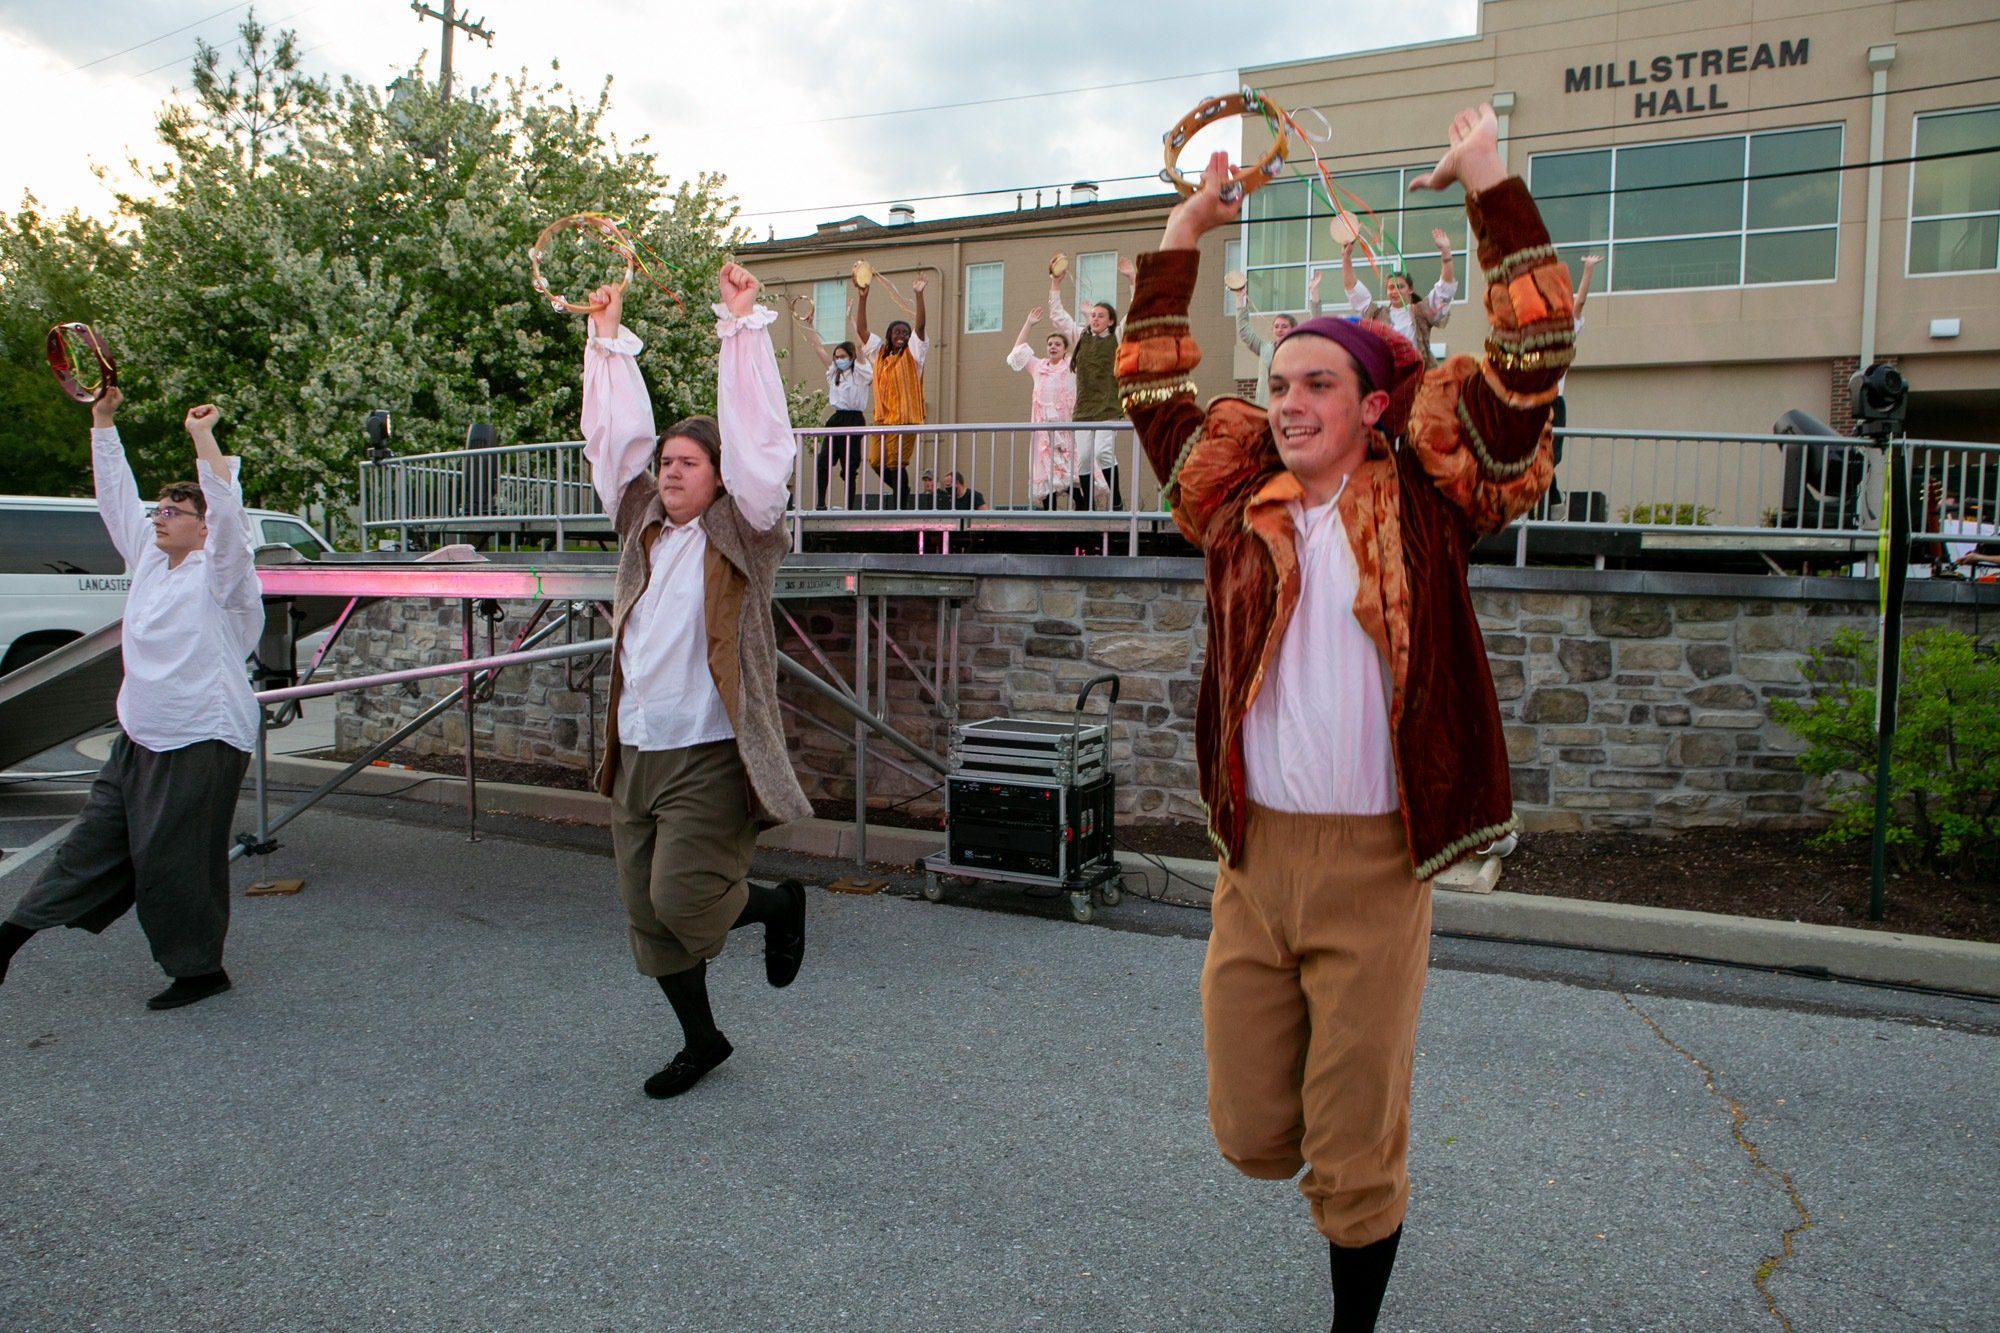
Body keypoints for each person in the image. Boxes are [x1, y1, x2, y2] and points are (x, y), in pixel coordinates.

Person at [1116, 106, 1567, 1330]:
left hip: (1376, 863)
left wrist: (1483, 177)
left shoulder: (1433, 502)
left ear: (1374, 406)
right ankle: (1314, 1180)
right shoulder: (1229, 501)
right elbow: (1152, 379)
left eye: (1317, 382)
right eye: (1276, 384)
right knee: (1251, 1126)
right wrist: (1181, 230)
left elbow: (1531, 354)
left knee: (1352, 1141)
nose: (1288, 400)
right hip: (1252, 859)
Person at [580, 264, 816, 1100]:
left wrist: (742, 324)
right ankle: (703, 1039)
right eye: (668, 462)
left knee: (683, 897)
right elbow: (614, 443)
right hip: (637, 746)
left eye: (689, 462)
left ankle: (777, 905)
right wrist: (606, 339)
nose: (672, 472)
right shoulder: (639, 525)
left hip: (710, 748)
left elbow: (759, 442)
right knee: (647, 917)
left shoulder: (744, 531)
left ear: (718, 478)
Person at [0, 389, 262, 1010]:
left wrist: (203, 437)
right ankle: (9, 939)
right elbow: (115, 494)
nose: (160, 515)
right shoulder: (149, 558)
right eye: (160, 507)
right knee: (91, 843)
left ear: (204, 527)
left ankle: (200, 972)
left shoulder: (226, 576)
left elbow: (229, 514)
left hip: (202, 738)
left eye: (176, 509)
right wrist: (103, 421)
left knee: (173, 863)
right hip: (138, 737)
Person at [1049, 259, 1131, 511]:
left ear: (1110, 321)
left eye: (1100, 316)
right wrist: (1055, 284)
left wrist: (1132, 280)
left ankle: (1116, 501)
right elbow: (1057, 316)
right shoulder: (1080, 336)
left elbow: (1137, 312)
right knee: (1084, 459)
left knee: (1102, 453)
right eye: (1093, 315)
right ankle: (1086, 507)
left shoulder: (1117, 336)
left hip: (1108, 407)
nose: (1095, 319)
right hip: (1084, 408)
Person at [855, 271, 928, 508]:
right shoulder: (879, 354)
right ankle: (902, 490)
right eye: (897, 332)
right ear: (889, 335)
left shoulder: (914, 354)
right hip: (883, 419)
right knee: (876, 461)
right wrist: (863, 298)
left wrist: (919, 295)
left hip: (906, 419)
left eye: (905, 333)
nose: (902, 336)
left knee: (896, 464)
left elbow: (920, 326)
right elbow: (862, 330)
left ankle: (900, 505)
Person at [1341, 225, 1459, 370]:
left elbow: (1445, 290)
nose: (1395, 291)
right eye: (1391, 288)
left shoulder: (1420, 312)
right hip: (1389, 378)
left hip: (1418, 378)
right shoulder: (1376, 314)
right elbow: (1353, 289)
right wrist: (1346, 257)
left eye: (1400, 286)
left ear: (1410, 290)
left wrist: (1445, 253)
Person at [1005, 305, 1079, 506]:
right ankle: (1051, 520)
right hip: (1043, 431)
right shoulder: (1039, 367)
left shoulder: (1072, 365)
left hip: (1065, 430)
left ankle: (1085, 517)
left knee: (1071, 476)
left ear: (1065, 349)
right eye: (1050, 344)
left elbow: (1084, 348)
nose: (1053, 347)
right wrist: (1028, 324)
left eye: (1057, 344)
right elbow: (1017, 352)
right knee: (1047, 477)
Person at [1547, 253, 1601, 511]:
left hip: (1553, 402)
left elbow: (1579, 303)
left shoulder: (1568, 328)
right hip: (1532, 404)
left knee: (1550, 458)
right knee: (1531, 458)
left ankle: (1554, 500)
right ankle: (1552, 500)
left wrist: (1588, 270)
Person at [799, 324, 871, 510]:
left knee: (849, 466)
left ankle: (849, 507)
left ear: (851, 356)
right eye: (837, 357)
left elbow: (859, 346)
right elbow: (818, 348)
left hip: (854, 419)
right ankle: (821, 503)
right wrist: (810, 325)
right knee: (823, 462)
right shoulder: (834, 373)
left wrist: (851, 320)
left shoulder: (860, 372)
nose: (839, 360)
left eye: (843, 357)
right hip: (837, 418)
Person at [1234, 270, 1326, 406]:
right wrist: (1239, 297)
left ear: (1293, 329)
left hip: (1293, 405)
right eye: (1276, 326)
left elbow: (1316, 327)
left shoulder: (1300, 348)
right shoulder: (1264, 348)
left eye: (1284, 326)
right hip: (1266, 407)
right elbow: (1244, 330)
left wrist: (1314, 292)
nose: (1279, 329)